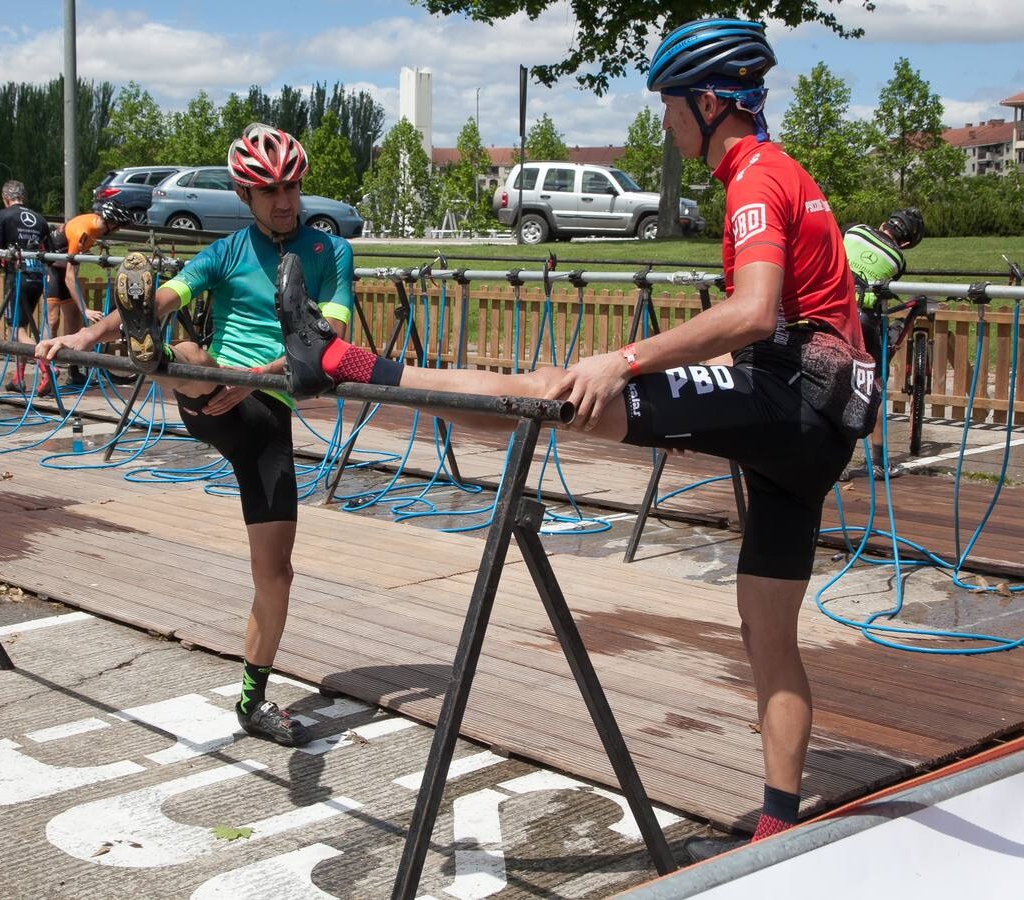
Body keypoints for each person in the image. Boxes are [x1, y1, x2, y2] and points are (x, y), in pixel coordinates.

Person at [277, 18, 878, 846]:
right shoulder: (787, 171)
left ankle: (340, 364)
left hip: (791, 399)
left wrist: (623, 358)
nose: (665, 126)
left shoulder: (751, 176)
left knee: (551, 394)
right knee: (766, 633)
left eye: (669, 107)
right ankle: (775, 827)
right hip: (819, 424)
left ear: (707, 103)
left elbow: (751, 313)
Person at [37, 123, 355, 746]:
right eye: (269, 192)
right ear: (244, 194)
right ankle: (159, 358)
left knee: (277, 573)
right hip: (210, 398)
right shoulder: (228, 252)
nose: (285, 201)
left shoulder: (328, 252)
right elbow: (158, 296)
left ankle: (252, 701)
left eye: (292, 186)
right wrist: (78, 338)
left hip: (269, 416)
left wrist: (256, 374)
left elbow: (329, 344)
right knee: (185, 349)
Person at [841, 208, 925, 480]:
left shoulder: (853, 230)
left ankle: (836, 462)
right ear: (906, 244)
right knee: (873, 387)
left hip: (831, 312)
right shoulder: (897, 259)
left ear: (882, 223)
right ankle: (878, 462)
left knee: (834, 383)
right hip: (863, 322)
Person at [44, 200, 130, 388]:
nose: (117, 231)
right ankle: (45, 371)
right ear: (110, 222)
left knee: (73, 320)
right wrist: (86, 310)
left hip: (62, 267)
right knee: (53, 319)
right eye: (118, 226)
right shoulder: (84, 232)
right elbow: (69, 277)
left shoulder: (95, 228)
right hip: (51, 268)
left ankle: (73, 372)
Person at [0, 180, 50, 393]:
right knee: (23, 327)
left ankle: (47, 367)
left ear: (6, 198)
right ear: (23, 196)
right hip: (37, 277)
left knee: (15, 331)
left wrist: (1, 260)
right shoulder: (40, 219)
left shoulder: (4, 215)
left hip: (17, 278)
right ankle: (18, 378)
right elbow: (49, 252)